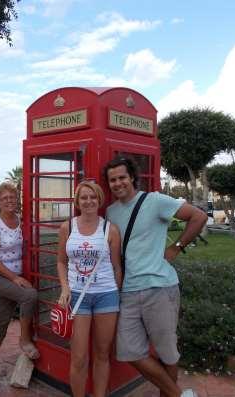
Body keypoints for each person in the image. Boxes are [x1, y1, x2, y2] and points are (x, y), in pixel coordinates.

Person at [104, 157, 207, 397]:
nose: (118, 183)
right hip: (128, 290)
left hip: (159, 287)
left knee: (166, 352)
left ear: (132, 177)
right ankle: (179, 394)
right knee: (128, 351)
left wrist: (176, 248)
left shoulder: (155, 201)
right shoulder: (110, 211)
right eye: (112, 180)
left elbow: (199, 217)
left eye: (121, 177)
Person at [56, 181, 122, 397]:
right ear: (77, 201)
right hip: (77, 296)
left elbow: (116, 266)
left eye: (93, 197)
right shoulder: (68, 227)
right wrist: (65, 289)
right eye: (84, 197)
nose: (88, 201)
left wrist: (119, 295)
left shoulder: (110, 229)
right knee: (79, 357)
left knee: (102, 354)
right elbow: (61, 262)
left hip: (106, 295)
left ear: (100, 200)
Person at [0, 182, 39, 376]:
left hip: (18, 274)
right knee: (29, 296)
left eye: (12, 197)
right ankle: (24, 339)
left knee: (2, 318)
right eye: (5, 198)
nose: (9, 201)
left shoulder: (20, 220)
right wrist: (15, 278)